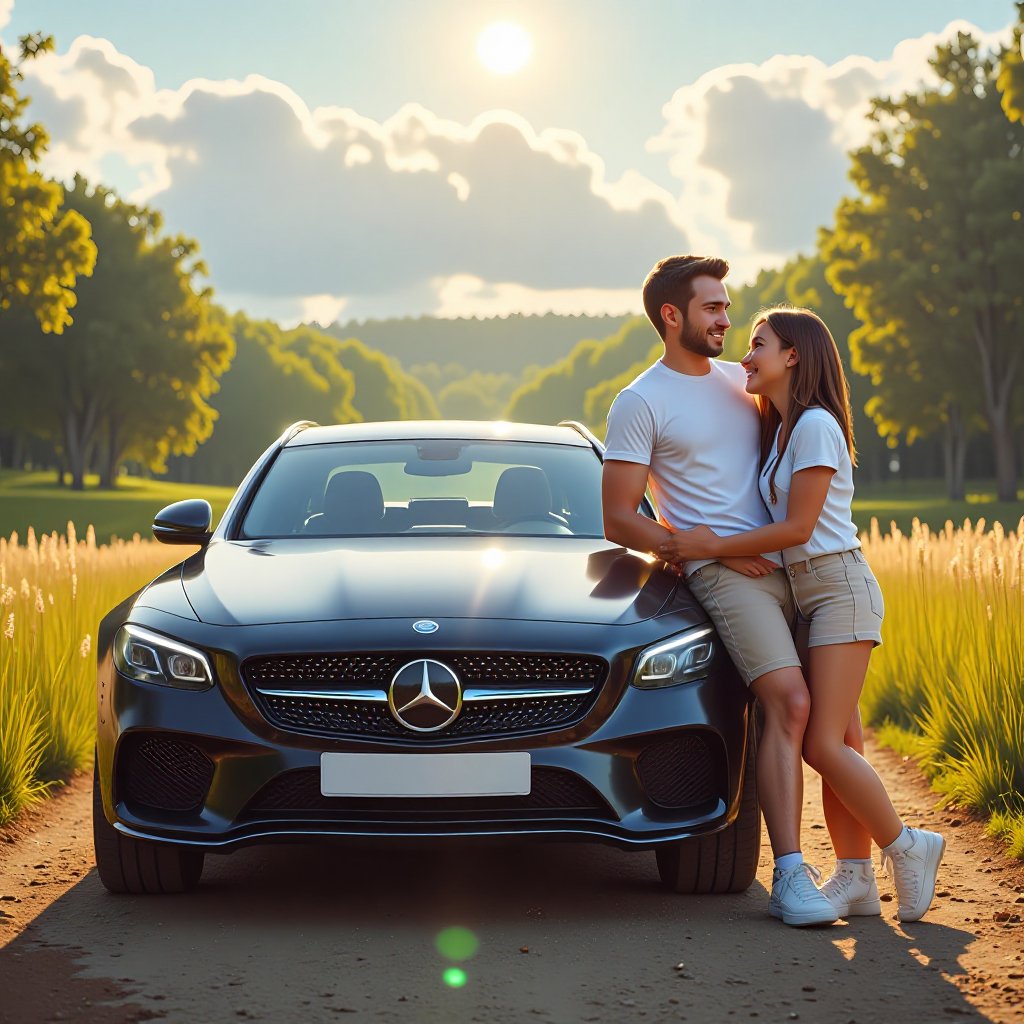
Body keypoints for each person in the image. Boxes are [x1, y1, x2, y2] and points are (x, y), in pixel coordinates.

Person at [658, 305, 945, 923]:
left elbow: (797, 526)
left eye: (758, 343)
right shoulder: (782, 428)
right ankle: (857, 878)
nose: (745, 354)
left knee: (820, 741)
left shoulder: (814, 424)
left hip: (839, 587)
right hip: (808, 588)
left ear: (794, 356)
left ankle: (908, 844)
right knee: (839, 737)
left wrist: (709, 545)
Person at [602, 255, 838, 927]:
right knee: (787, 703)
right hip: (727, 573)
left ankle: (863, 868)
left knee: (834, 725)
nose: (727, 320)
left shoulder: (745, 380)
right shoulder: (640, 400)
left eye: (729, 308)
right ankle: (791, 875)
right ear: (671, 316)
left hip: (791, 562)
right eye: (713, 308)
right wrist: (694, 551)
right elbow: (618, 518)